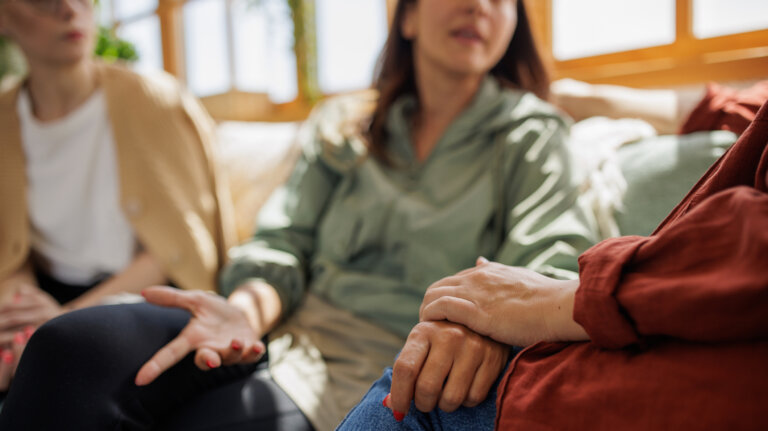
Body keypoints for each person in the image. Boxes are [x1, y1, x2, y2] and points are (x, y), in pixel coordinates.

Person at [0, 0, 598, 429]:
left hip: (389, 371)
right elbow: (282, 244)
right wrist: (242, 311)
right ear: (409, 16)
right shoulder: (343, 126)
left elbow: (544, 265)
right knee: (66, 350)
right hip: (276, 338)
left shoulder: (531, 135)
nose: (479, 6)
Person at [341, 100, 768, 430]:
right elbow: (731, 106)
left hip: (699, 367)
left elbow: (551, 247)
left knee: (422, 385)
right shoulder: (353, 129)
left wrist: (549, 302)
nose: (478, 7)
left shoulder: (531, 130)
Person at [0, 0, 235, 397]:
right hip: (49, 296)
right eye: (44, 1)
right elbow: (10, 248)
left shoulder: (154, 99)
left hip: (145, 297)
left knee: (63, 357)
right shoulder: (5, 118)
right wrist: (20, 318)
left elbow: (175, 251)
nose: (70, 10)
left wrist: (59, 321)